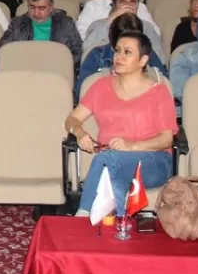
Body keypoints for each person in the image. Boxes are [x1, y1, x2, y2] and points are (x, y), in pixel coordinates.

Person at [67, 27, 177, 211]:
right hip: (114, 162)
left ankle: (82, 216)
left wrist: (131, 146)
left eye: (127, 52)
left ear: (143, 60)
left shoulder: (159, 92)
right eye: (117, 51)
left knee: (105, 161)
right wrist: (80, 133)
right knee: (112, 183)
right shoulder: (101, 86)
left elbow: (166, 139)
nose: (119, 56)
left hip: (153, 161)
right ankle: (119, 231)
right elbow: (71, 120)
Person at [76, 14, 167, 97]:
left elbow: (164, 85)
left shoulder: (147, 54)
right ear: (113, 44)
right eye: (118, 50)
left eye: (128, 52)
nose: (121, 57)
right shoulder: (97, 55)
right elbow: (83, 91)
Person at [0, 0, 83, 65]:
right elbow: (0, 51)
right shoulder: (17, 24)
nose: (36, 13)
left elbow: (78, 53)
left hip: (56, 70)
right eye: (32, 7)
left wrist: (59, 64)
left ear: (51, 7)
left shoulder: (66, 23)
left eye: (41, 8)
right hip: (23, 69)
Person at [80, 0, 162, 59]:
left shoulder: (147, 27)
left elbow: (159, 58)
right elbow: (87, 52)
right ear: (114, 6)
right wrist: (109, 22)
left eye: (132, 2)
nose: (128, 5)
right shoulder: (97, 26)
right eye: (122, 2)